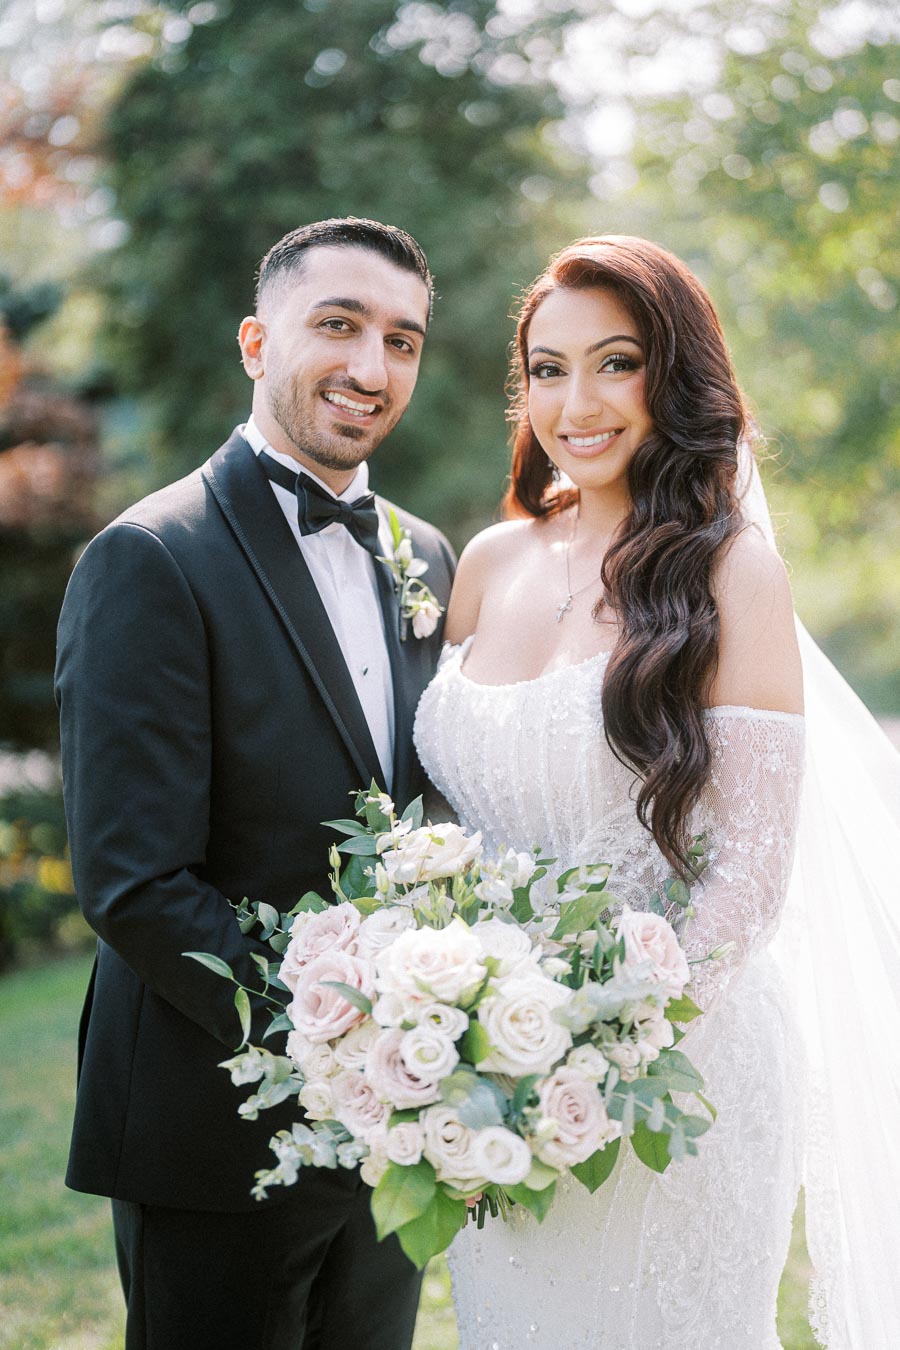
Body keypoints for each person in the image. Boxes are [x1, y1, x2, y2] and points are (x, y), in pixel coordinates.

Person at [55, 217, 455, 1350]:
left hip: (389, 1136)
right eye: (337, 325)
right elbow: (133, 883)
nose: (370, 368)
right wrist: (345, 1035)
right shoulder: (150, 556)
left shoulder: (427, 556)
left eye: (402, 340)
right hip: (210, 1128)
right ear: (254, 341)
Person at [415, 234, 809, 1347]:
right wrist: (468, 1037)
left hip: (671, 1076)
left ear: (673, 375)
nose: (576, 402)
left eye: (616, 362)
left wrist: (595, 1049)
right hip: (494, 1081)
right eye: (547, 368)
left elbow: (749, 883)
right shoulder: (488, 562)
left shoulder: (731, 571)